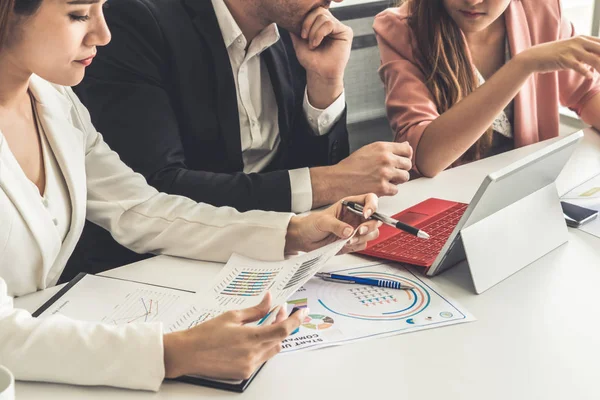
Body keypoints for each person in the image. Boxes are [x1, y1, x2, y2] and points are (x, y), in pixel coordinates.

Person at [0, 0, 381, 391]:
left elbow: (139, 209)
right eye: (79, 15)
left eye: (102, 8)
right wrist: (172, 353)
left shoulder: (53, 98)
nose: (103, 34)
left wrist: (291, 231)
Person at [62, 0, 414, 279]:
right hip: (157, 270)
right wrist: (328, 183)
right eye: (78, 12)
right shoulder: (138, 21)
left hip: (266, 258)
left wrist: (325, 84)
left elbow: (300, 171)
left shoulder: (291, 31)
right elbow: (157, 187)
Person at [374, 0, 600, 177]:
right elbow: (425, 159)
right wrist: (523, 65)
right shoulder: (402, 28)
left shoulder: (541, 8)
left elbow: (587, 93)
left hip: (532, 189)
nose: (473, 1)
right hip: (448, 205)